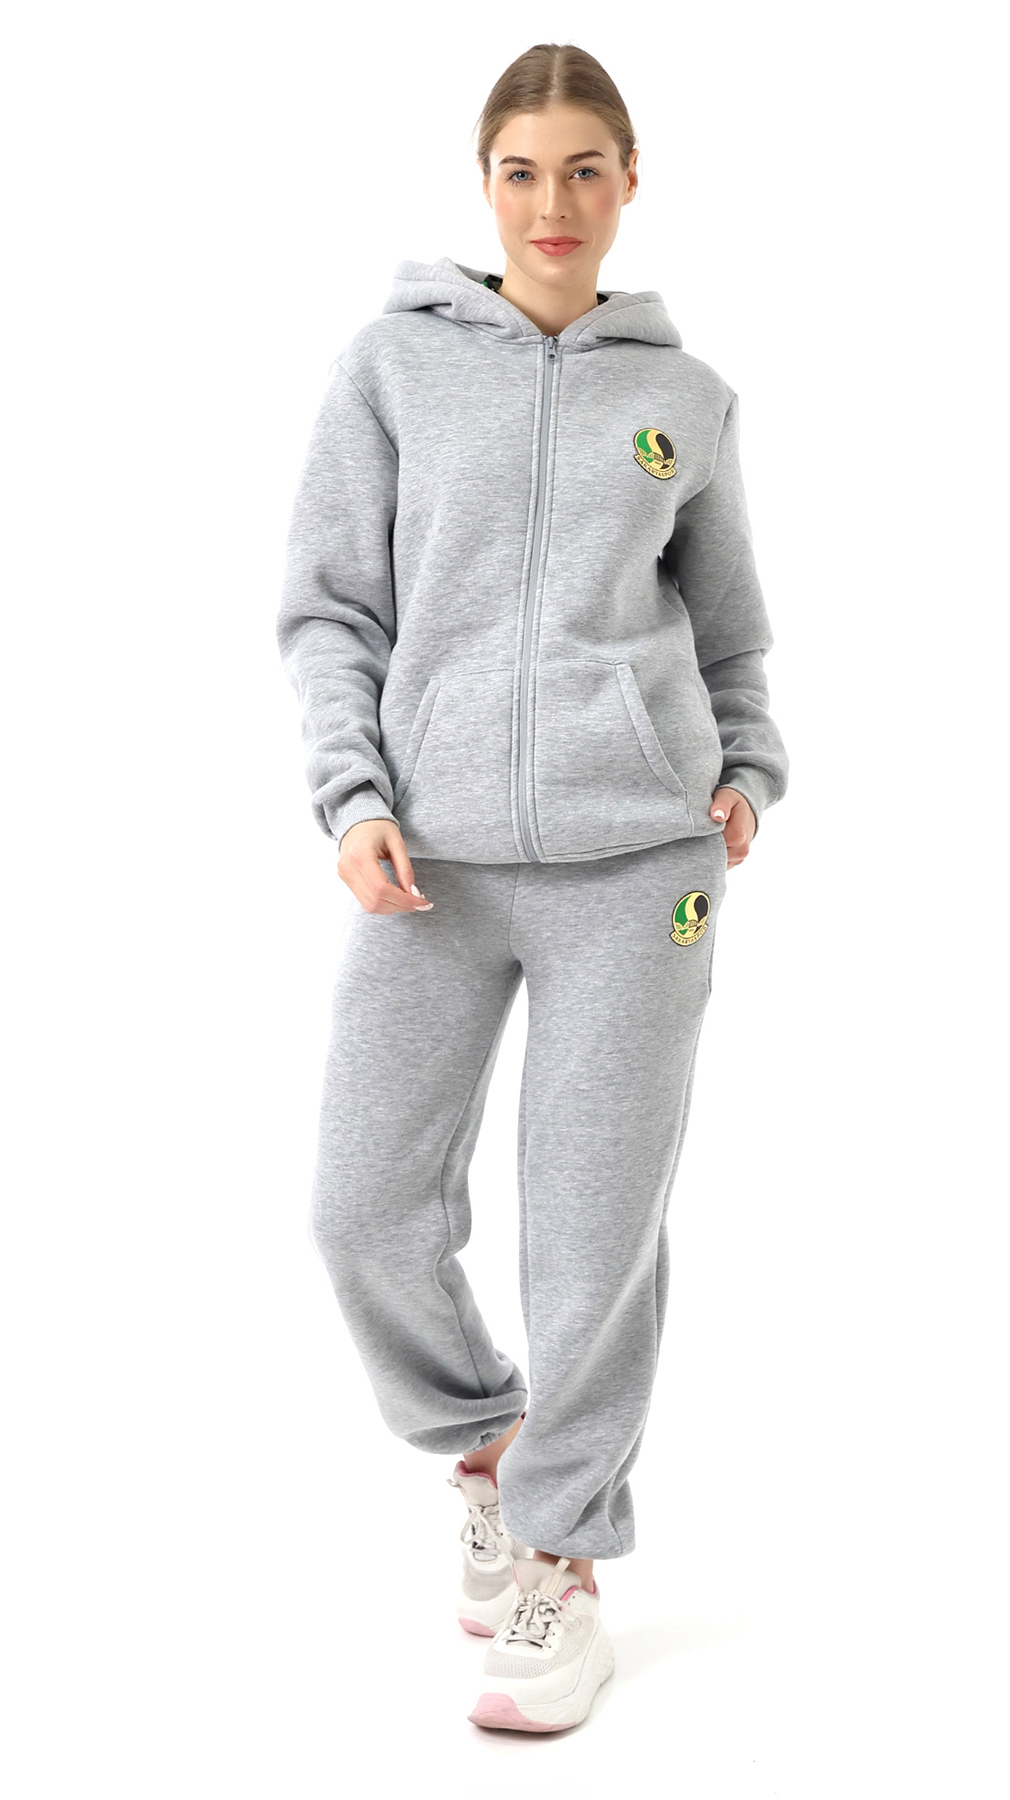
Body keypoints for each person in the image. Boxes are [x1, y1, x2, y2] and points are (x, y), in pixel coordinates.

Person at [277, 41, 788, 1733]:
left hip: (640, 870)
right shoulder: (394, 369)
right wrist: (354, 795)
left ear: (629, 182)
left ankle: (562, 1559)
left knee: (593, 1232)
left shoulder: (686, 399)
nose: (553, 204)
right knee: (361, 1207)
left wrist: (746, 772)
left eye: (584, 170)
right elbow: (331, 611)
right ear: (484, 184)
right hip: (429, 866)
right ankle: (494, 1442)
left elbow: (731, 638)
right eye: (523, 171)